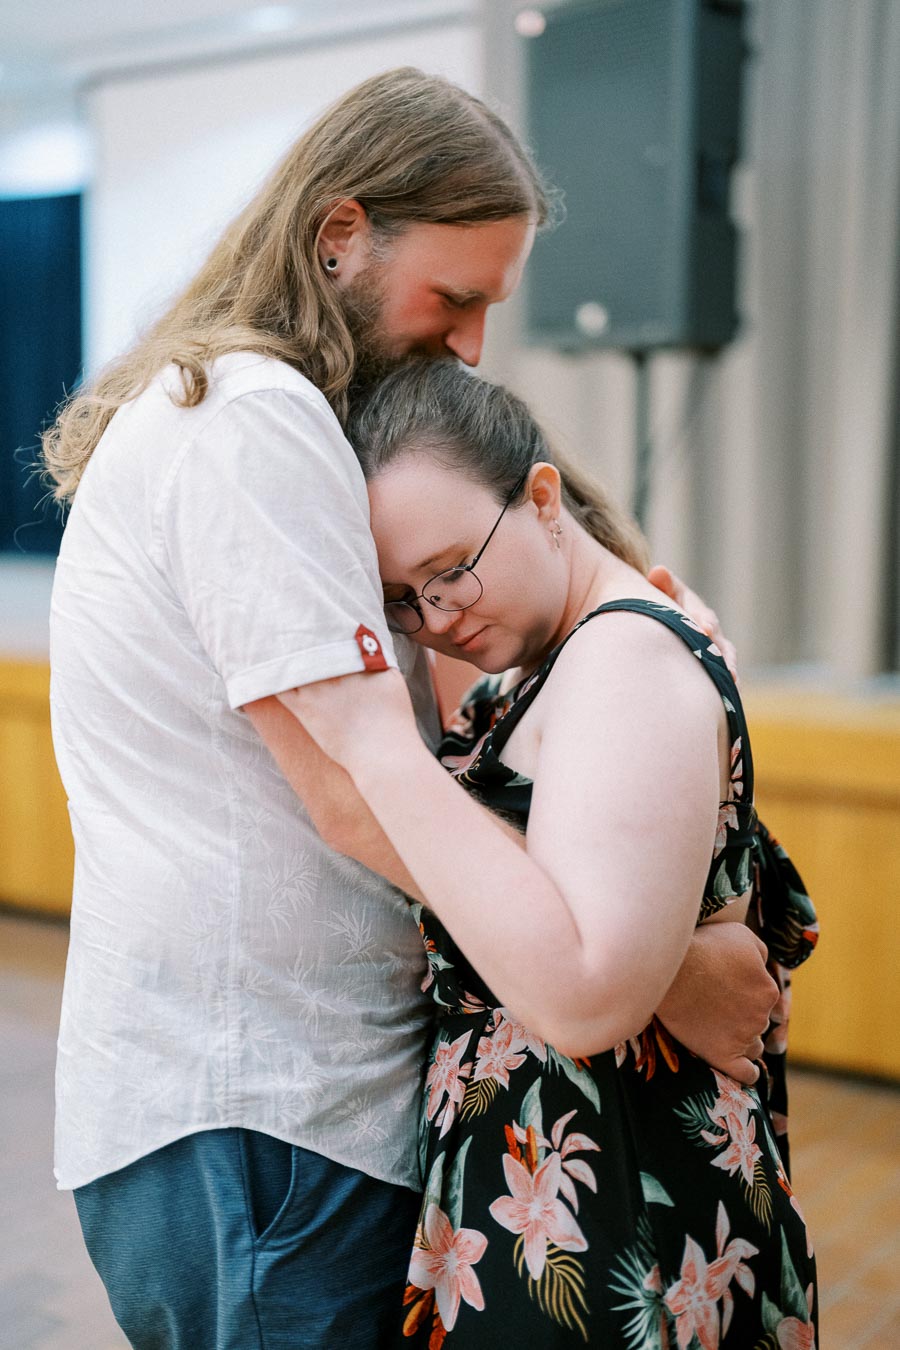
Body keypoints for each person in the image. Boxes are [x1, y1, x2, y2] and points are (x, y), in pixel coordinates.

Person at [44, 68, 780, 1349]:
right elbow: (357, 781)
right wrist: (655, 968)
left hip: (275, 1113)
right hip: (265, 1117)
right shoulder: (254, 419)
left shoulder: (267, 423)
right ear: (340, 235)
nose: (473, 342)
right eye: (456, 296)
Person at [283, 361, 819, 1347]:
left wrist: (370, 741)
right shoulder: (546, 668)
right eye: (404, 598)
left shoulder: (621, 658)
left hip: (612, 1206)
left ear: (541, 498)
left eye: (451, 570)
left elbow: (587, 988)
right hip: (553, 1200)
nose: (437, 618)